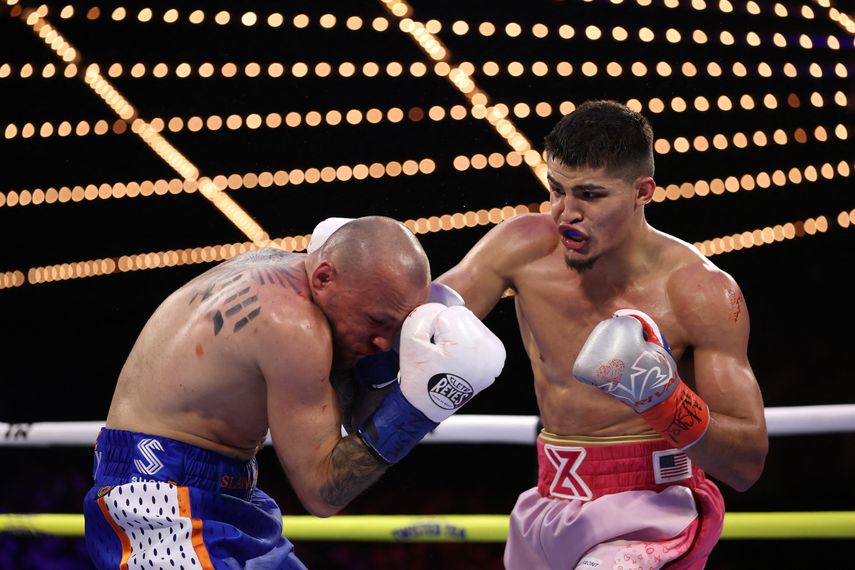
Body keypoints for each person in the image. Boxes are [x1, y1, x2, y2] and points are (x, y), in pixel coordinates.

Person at [436, 100, 768, 569]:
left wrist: (662, 398)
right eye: (556, 189)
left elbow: (747, 464)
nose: (565, 213)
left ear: (642, 191)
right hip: (548, 502)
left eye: (590, 195)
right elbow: (424, 321)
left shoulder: (699, 292)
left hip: (652, 510)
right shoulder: (522, 248)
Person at [82, 215, 506, 569]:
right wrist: (418, 408)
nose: (382, 341)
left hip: (227, 493)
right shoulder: (294, 326)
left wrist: (383, 364)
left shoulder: (292, 276)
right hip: (158, 503)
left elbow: (352, 417)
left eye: (393, 329)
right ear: (324, 277)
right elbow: (323, 491)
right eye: (377, 321)